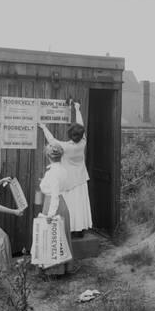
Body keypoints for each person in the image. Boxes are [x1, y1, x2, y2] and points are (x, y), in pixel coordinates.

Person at [38, 101, 92, 236]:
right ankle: (81, 230)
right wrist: (77, 109)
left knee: (71, 206)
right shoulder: (83, 142)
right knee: (81, 206)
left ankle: (70, 229)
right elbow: (81, 125)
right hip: (81, 180)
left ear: (69, 135)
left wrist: (43, 127)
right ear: (81, 135)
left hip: (69, 182)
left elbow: (51, 141)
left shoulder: (66, 147)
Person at [39, 144, 75, 275]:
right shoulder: (63, 170)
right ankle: (64, 267)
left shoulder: (52, 172)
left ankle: (54, 270)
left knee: (52, 236)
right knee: (61, 235)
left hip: (53, 204)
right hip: (62, 203)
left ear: (48, 156)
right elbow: (65, 187)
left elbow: (54, 195)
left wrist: (50, 214)